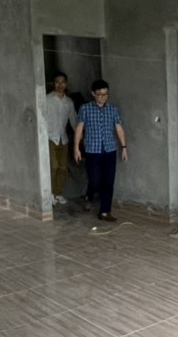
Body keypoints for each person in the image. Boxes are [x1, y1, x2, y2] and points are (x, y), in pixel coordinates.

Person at [73, 78, 127, 223]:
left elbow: (119, 129)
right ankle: (90, 196)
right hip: (92, 150)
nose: (103, 97)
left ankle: (105, 211)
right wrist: (76, 148)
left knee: (109, 181)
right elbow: (79, 129)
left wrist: (124, 147)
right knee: (95, 180)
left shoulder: (112, 109)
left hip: (109, 149)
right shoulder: (85, 109)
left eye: (106, 94)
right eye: (100, 94)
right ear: (93, 94)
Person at [42, 71, 77, 205]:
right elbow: (42, 118)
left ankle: (58, 194)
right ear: (53, 83)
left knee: (62, 167)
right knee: (53, 166)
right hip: (50, 137)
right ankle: (49, 194)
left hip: (63, 138)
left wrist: (79, 136)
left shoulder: (68, 102)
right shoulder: (47, 99)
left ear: (66, 84)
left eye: (63, 82)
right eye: (57, 82)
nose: (60, 85)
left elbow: (73, 120)